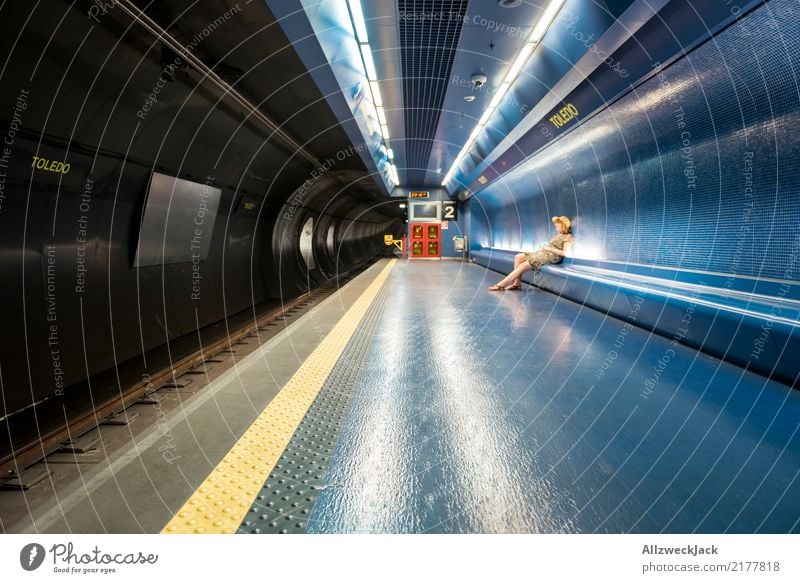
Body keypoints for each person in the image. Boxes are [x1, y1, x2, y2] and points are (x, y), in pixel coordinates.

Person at [488, 216, 574, 291]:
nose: (556, 227)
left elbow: (565, 253)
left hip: (552, 256)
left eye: (557, 225)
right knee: (518, 257)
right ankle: (517, 284)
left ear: (563, 225)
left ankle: (501, 285)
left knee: (522, 266)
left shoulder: (568, 237)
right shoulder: (558, 235)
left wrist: (549, 249)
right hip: (544, 253)